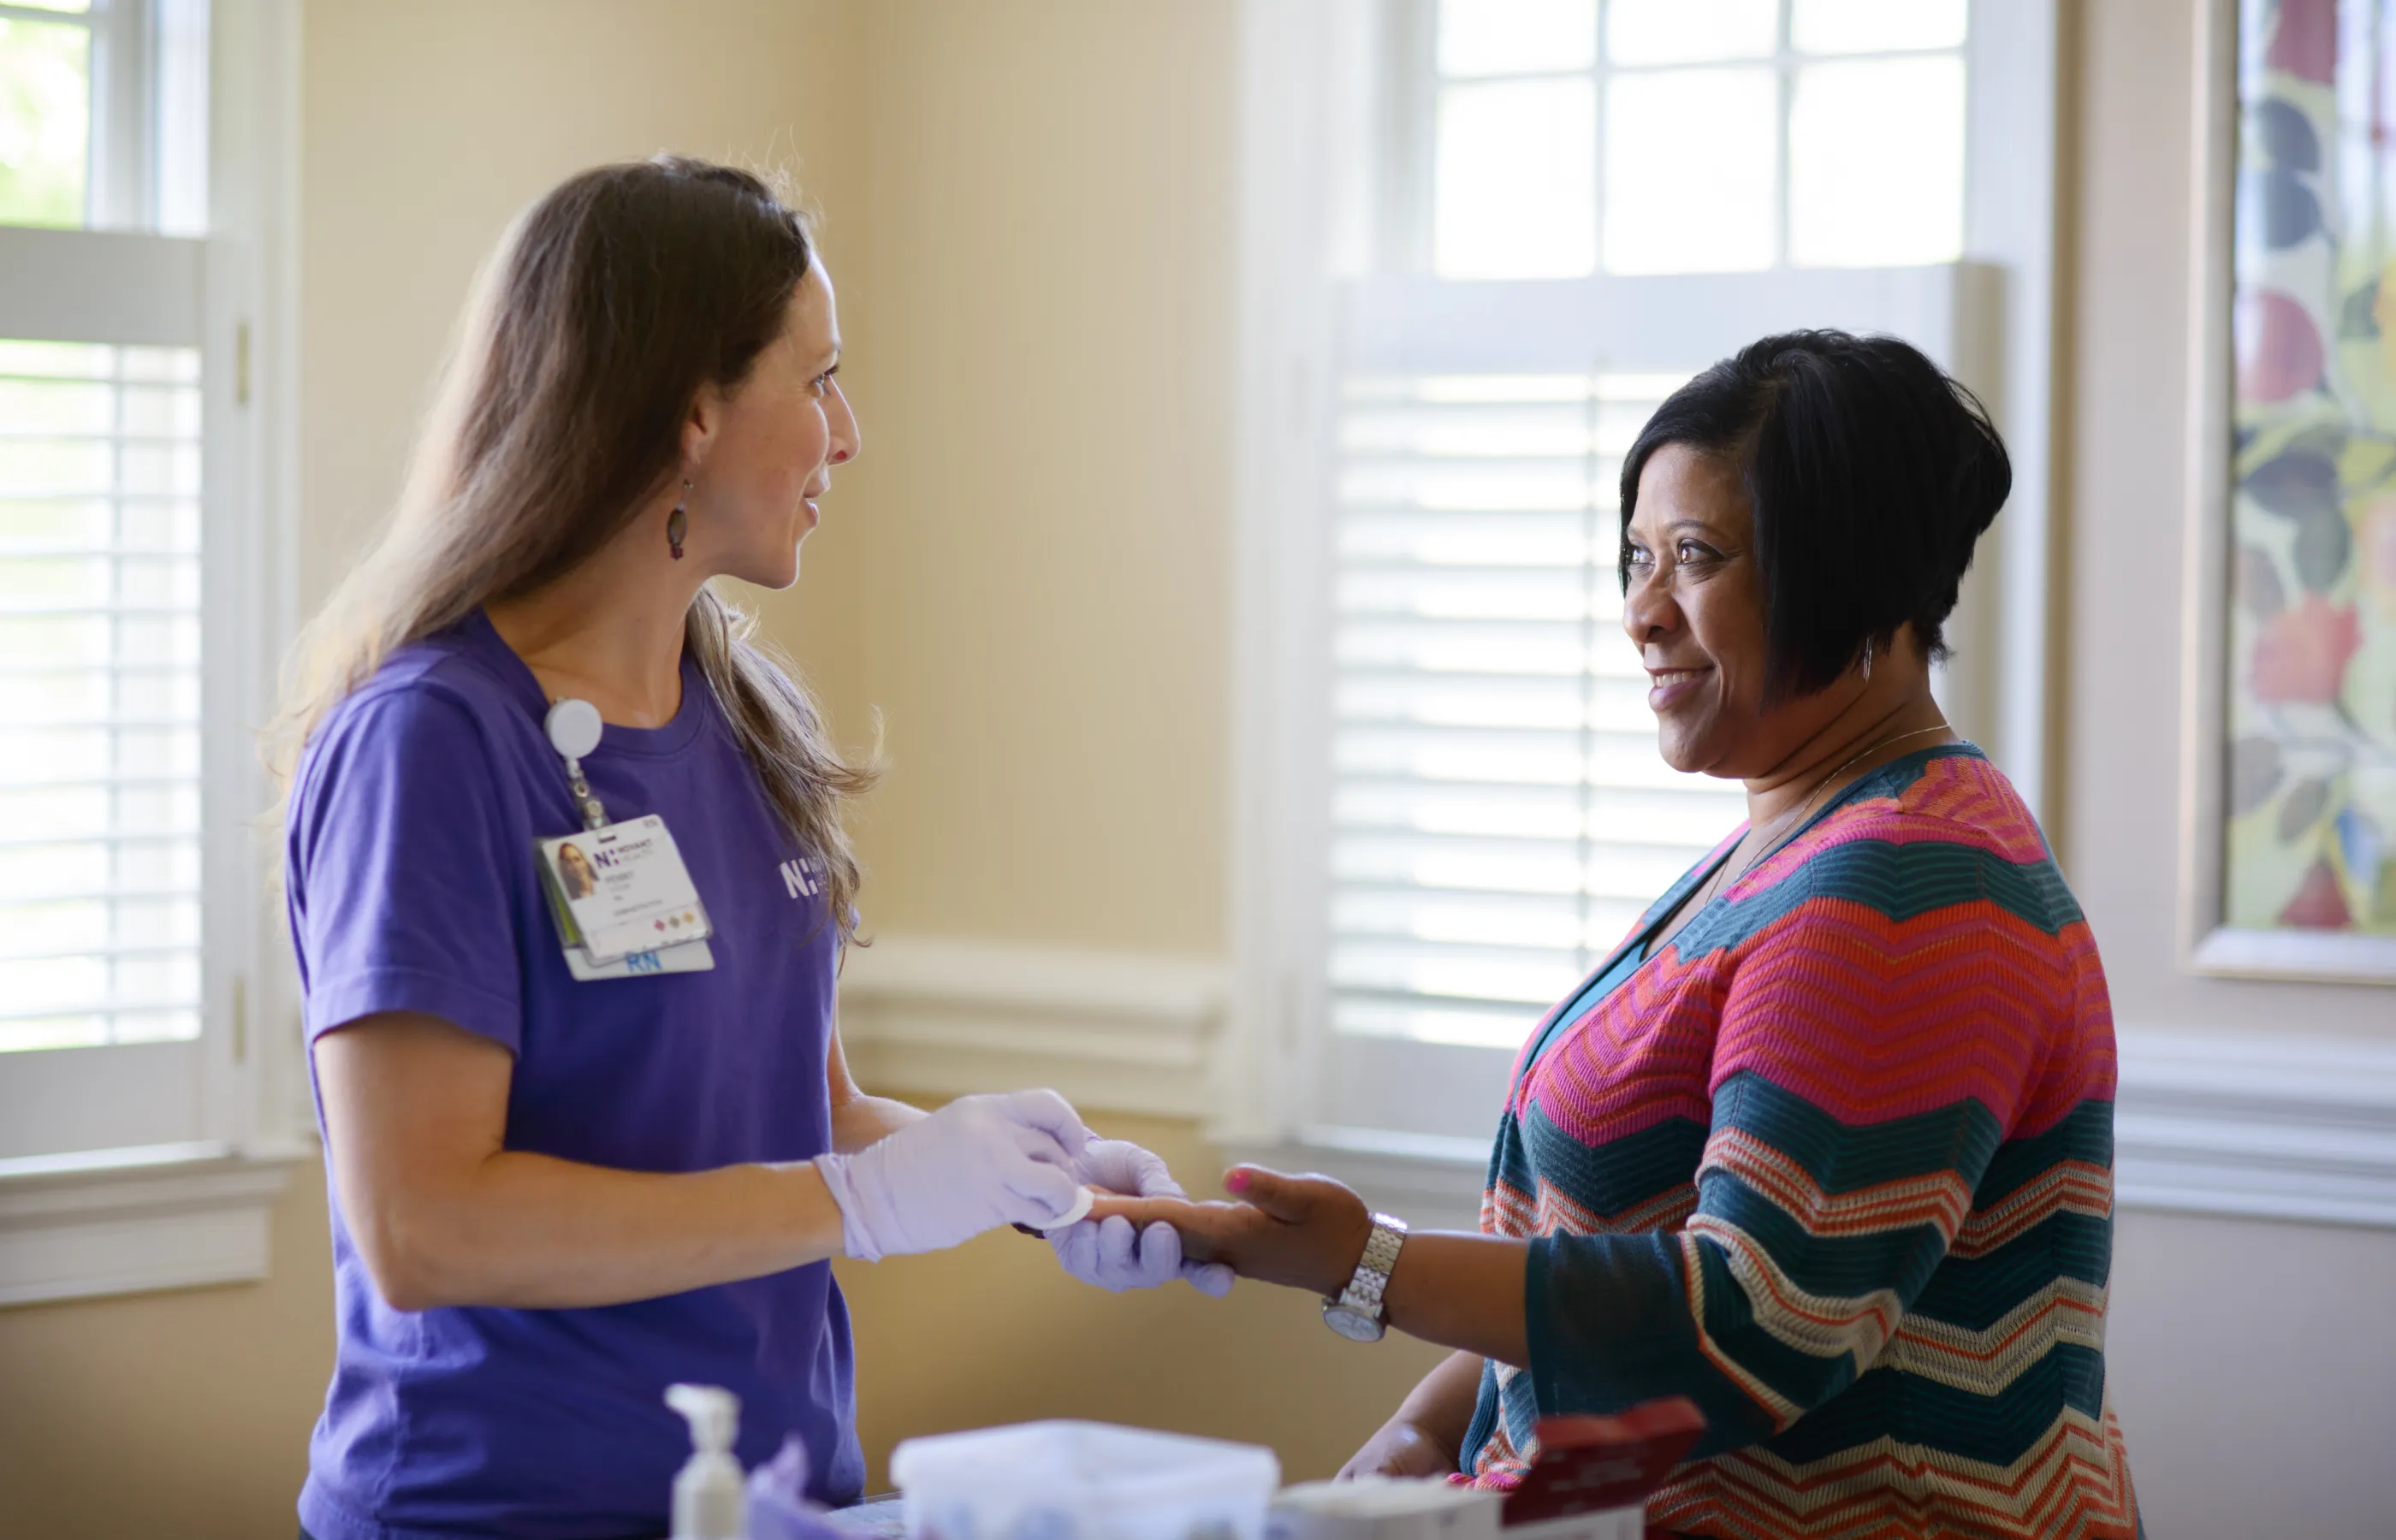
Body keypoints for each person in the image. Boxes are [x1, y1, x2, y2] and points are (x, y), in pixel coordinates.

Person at [270, 158, 1225, 1540]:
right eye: (819, 379)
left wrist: (1041, 1186)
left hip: (772, 1504)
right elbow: (429, 1229)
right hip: (490, 1512)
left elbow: (805, 1116)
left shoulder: (742, 716)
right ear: (692, 414)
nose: (849, 434)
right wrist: (860, 1199)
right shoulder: (434, 743)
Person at [1104, 333, 2141, 1539]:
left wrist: (1361, 1261)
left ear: (1851, 575)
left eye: (1695, 558)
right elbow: (1612, 1252)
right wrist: (1435, 1429)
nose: (1644, 614)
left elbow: (1744, 1329)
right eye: (1635, 558)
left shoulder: (1903, 886)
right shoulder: (1790, 847)